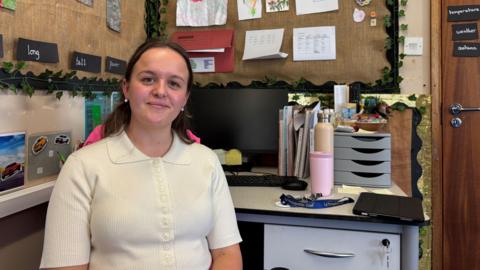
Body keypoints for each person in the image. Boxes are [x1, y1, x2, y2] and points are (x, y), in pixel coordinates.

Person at [40, 40, 243, 270]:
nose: (160, 91)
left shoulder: (207, 161)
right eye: (148, 79)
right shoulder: (82, 167)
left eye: (174, 84)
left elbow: (227, 253)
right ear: (126, 88)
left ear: (185, 98)